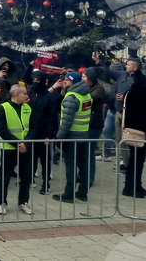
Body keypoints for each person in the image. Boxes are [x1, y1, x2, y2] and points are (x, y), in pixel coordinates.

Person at [121, 58, 146, 199]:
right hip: (139, 133)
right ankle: (130, 187)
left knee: (137, 161)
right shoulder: (139, 96)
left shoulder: (132, 94)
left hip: (137, 132)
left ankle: (137, 185)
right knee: (136, 161)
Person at [0, 84, 34, 215]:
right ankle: (2, 202)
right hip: (9, 148)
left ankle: (23, 202)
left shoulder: (27, 108)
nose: (27, 96)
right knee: (5, 177)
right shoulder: (3, 108)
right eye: (24, 93)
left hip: (25, 148)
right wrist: (18, 143)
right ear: (16, 94)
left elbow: (32, 128)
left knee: (26, 176)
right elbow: (2, 130)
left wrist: (26, 143)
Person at [54, 71, 91, 204]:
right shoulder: (86, 95)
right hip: (83, 135)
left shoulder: (71, 97)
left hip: (71, 137)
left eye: (67, 80)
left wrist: (59, 138)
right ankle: (83, 192)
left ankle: (68, 194)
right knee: (83, 165)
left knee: (70, 167)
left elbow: (67, 122)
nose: (64, 82)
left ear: (72, 82)